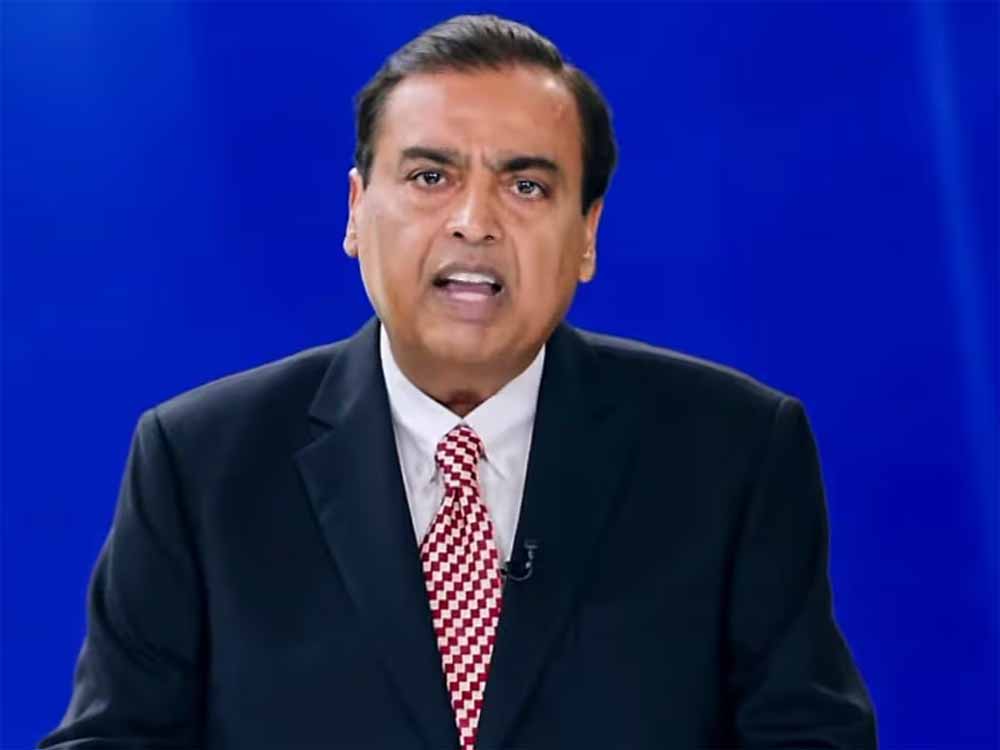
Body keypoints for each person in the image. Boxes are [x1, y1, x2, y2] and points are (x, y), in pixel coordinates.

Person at [40, 14, 877, 750]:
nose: (474, 222)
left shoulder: (732, 452)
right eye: (430, 177)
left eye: (526, 185)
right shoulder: (200, 463)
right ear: (356, 210)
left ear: (587, 232)